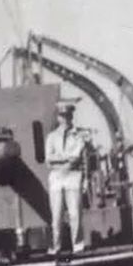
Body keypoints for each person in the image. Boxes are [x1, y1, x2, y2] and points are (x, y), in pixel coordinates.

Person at [45, 101, 87, 255]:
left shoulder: (78, 136)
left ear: (71, 117)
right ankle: (56, 246)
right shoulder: (51, 137)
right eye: (62, 116)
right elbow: (48, 159)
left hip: (73, 176)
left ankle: (78, 245)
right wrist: (67, 157)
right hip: (56, 178)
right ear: (58, 118)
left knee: (75, 214)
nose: (65, 119)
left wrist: (60, 158)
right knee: (56, 215)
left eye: (68, 116)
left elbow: (78, 157)